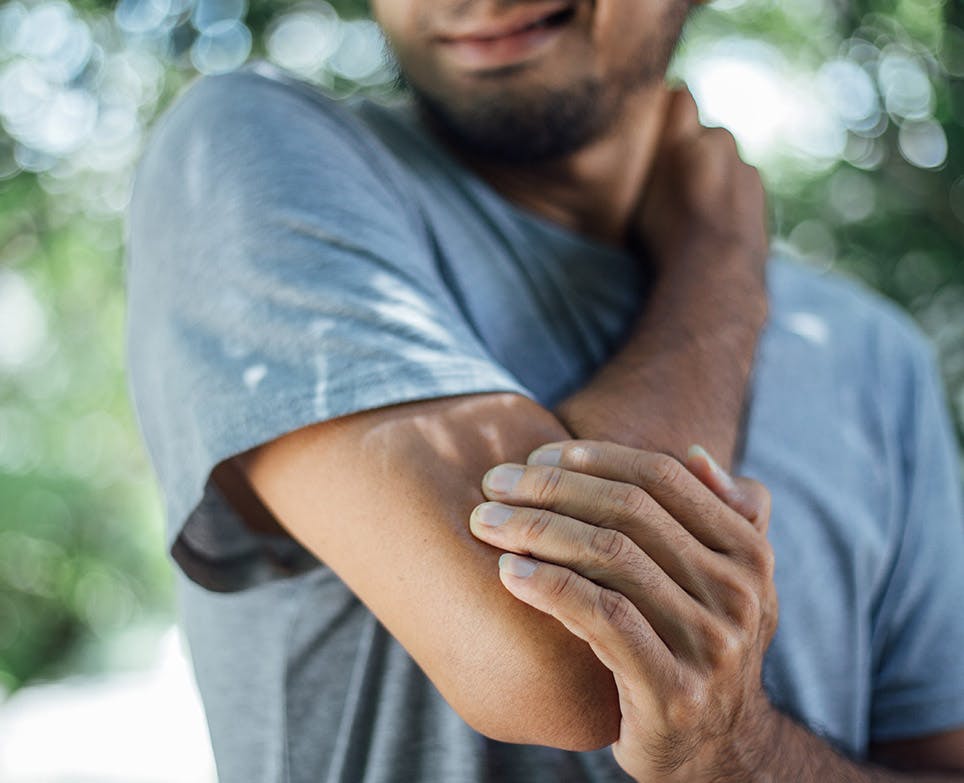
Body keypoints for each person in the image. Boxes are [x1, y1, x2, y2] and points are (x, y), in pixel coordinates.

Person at [124, 0, 964, 780]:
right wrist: (720, 266)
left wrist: (746, 754)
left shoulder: (876, 357)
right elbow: (575, 660)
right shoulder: (242, 147)